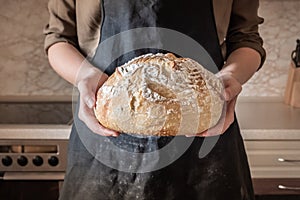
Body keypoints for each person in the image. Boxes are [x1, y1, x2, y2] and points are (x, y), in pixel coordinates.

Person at [44, 0, 266, 199]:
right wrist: (86, 75)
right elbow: (59, 38)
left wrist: (229, 78)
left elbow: (246, 37)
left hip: (205, 142)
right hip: (103, 144)